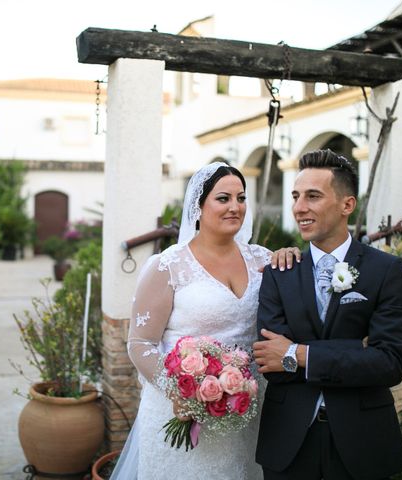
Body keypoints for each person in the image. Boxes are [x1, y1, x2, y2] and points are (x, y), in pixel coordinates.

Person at [111, 162, 299, 480]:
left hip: (251, 406)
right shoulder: (167, 266)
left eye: (241, 198)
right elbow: (140, 343)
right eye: (223, 198)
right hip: (184, 410)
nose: (235, 207)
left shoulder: (264, 259)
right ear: (198, 207)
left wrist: (292, 257)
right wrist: (182, 393)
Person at [253, 149, 402, 480]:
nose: (299, 207)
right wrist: (357, 352)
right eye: (296, 196)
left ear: (347, 205)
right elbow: (271, 362)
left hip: (363, 441)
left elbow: (390, 363)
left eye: (313, 196)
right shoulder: (278, 272)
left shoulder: (386, 270)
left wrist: (298, 353)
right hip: (288, 443)